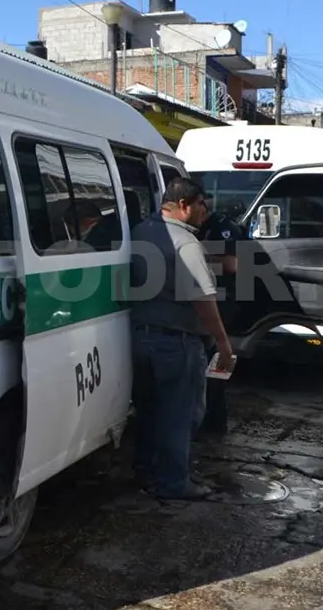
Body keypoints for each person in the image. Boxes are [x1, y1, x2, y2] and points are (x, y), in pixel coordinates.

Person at [129, 177, 236, 501]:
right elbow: (203, 300)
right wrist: (223, 343)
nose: (206, 211)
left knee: (148, 412)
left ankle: (146, 472)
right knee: (181, 415)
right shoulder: (187, 243)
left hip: (140, 338)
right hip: (177, 344)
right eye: (202, 204)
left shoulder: (140, 232)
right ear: (184, 205)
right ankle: (174, 482)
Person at [193, 202, 244, 437]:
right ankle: (209, 417)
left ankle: (216, 420)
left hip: (224, 303)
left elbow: (231, 265)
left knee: (218, 363)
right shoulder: (196, 229)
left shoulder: (223, 227)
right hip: (207, 300)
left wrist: (195, 260)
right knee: (206, 365)